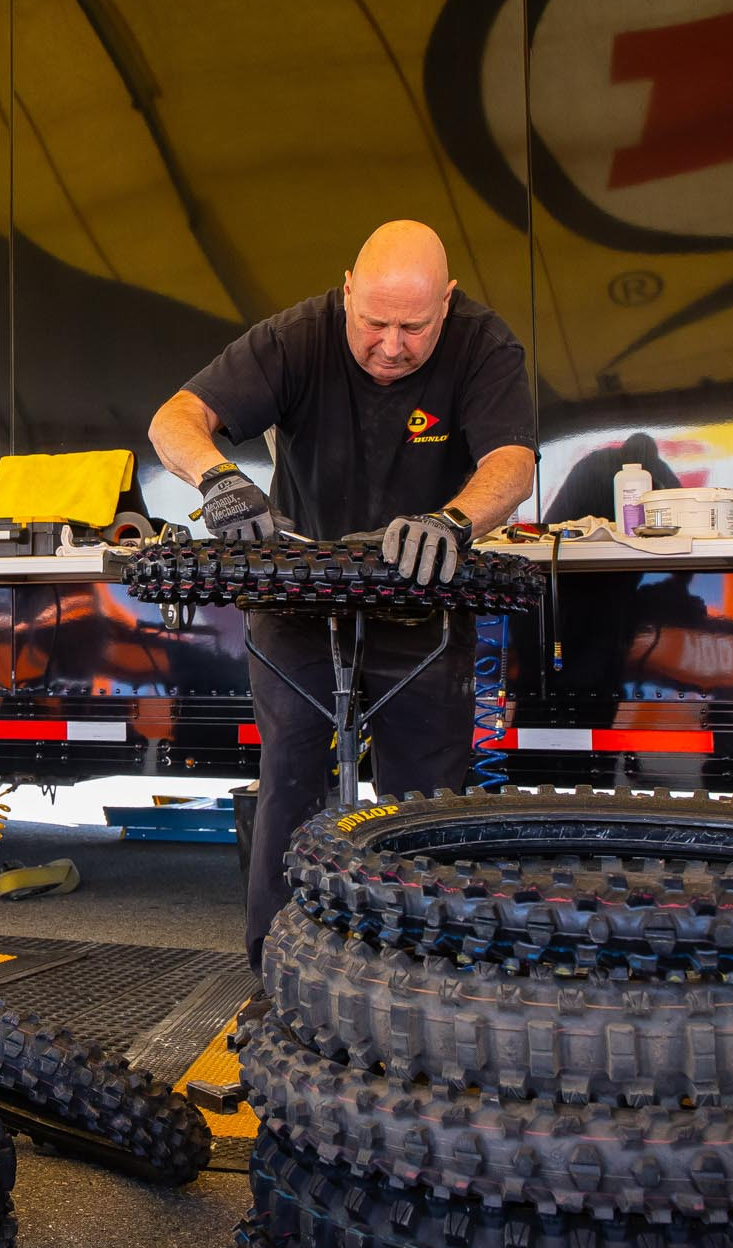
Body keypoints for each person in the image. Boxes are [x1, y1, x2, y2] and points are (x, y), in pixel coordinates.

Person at [147, 220, 537, 966]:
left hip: (423, 600)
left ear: (447, 304)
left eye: (415, 328)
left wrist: (455, 521)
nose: (393, 345)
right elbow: (176, 419)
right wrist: (220, 479)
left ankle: (416, 975)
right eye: (376, 323)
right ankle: (279, 972)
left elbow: (512, 465)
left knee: (423, 799)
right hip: (297, 604)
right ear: (347, 292)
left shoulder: (485, 345)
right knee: (290, 774)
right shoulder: (297, 337)